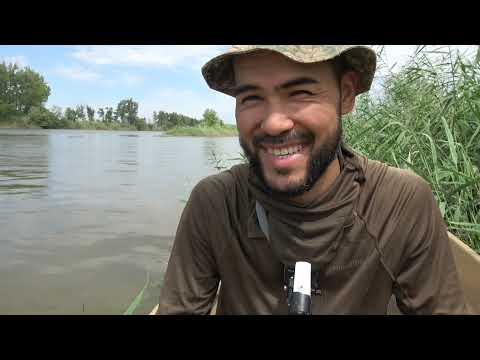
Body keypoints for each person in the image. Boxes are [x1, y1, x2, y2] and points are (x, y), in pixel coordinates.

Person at [156, 45, 468, 315]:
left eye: (300, 93)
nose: (275, 123)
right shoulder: (216, 202)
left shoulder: (399, 203)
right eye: (251, 97)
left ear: (345, 95)